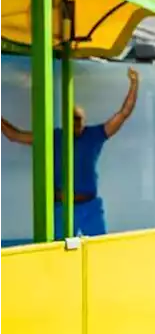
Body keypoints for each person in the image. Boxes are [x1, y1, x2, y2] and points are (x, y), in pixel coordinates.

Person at [0, 66, 138, 237]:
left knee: (98, 250)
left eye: (78, 118)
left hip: (89, 206)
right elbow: (15, 135)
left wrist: (134, 84)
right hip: (62, 208)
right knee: (61, 253)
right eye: (71, 119)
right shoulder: (55, 137)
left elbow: (124, 113)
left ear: (84, 120)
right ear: (65, 121)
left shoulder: (94, 135)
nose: (75, 123)